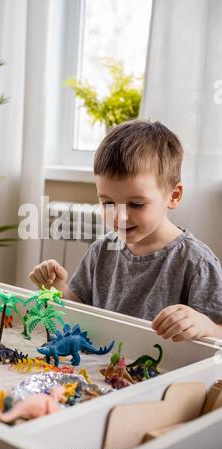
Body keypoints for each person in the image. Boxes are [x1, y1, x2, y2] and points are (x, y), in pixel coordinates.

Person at [30, 120, 222, 341]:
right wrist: (57, 288)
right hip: (101, 370)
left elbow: (218, 333)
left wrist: (205, 326)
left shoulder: (196, 262)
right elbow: (82, 314)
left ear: (174, 195)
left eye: (136, 204)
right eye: (108, 203)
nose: (120, 217)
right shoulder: (101, 251)